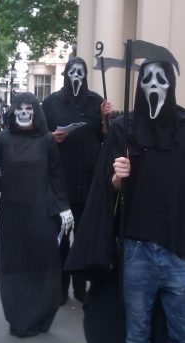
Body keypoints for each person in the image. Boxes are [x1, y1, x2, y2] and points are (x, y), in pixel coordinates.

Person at [65, 59, 185, 343]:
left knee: (184, 338)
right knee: (136, 335)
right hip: (136, 250)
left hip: (180, 252)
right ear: (139, 86)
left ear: (171, 85)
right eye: (147, 78)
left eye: (161, 79)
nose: (153, 84)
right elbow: (105, 193)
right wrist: (116, 177)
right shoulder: (123, 129)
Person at [0, 92, 74, 337]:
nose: (24, 113)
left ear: (35, 112)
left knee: (42, 265)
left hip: (41, 215)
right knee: (14, 266)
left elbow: (57, 178)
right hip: (13, 215)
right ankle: (19, 317)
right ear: (14, 111)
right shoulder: (2, 140)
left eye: (29, 109)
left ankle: (42, 316)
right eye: (20, 109)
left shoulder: (47, 141)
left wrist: (64, 208)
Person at [42, 56, 112, 304]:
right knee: (61, 236)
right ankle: (61, 287)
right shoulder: (51, 103)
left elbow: (106, 137)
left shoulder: (96, 102)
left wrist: (106, 118)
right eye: (72, 71)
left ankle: (80, 286)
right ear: (65, 74)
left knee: (83, 236)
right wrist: (52, 136)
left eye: (80, 72)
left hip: (88, 178)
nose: (76, 76)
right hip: (61, 179)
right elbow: (40, 137)